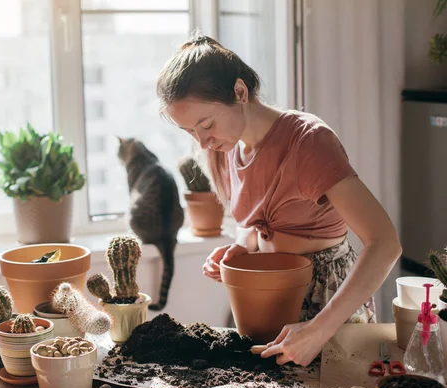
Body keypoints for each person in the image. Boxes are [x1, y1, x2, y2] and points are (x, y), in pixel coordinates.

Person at [156, 34, 402, 367]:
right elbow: (261, 221)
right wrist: (243, 245)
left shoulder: (308, 141)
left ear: (240, 92)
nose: (201, 143)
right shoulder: (227, 146)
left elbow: (385, 243)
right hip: (269, 295)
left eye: (206, 124)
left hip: (326, 303)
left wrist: (319, 330)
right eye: (190, 132)